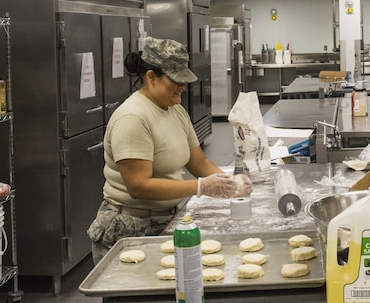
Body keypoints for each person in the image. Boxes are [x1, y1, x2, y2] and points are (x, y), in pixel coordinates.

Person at [88, 37, 251, 263]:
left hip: (166, 220)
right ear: (151, 77)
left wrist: (227, 183)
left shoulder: (175, 110)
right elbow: (138, 186)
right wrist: (201, 187)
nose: (183, 86)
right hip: (129, 229)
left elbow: (197, 162)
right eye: (176, 80)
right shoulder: (133, 118)